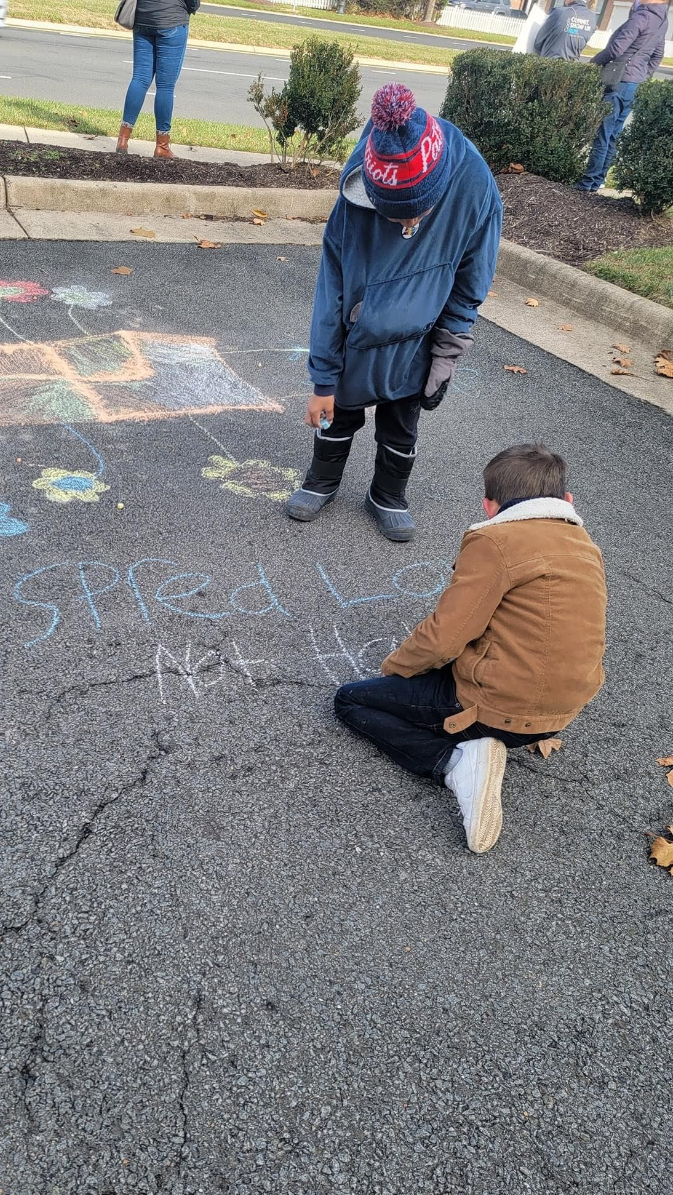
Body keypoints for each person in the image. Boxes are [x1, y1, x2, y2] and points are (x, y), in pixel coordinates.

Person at [334, 444, 607, 854]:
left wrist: (396, 669)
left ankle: (456, 764)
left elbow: (445, 636)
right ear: (566, 500)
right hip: (563, 711)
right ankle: (480, 740)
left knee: (350, 700)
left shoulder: (496, 540)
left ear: (489, 506)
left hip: (500, 708)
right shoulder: (584, 544)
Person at [287, 83, 502, 543]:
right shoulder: (358, 187)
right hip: (358, 330)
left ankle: (387, 494)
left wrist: (446, 353)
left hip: (419, 336)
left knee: (402, 421)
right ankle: (322, 480)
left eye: (415, 214)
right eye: (391, 215)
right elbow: (332, 290)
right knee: (338, 410)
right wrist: (322, 380)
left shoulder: (474, 186)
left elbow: (471, 282)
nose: (406, 225)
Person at [576, 0, 669, 192]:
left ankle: (587, 183)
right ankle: (597, 181)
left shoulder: (642, 16)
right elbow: (657, 55)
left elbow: (617, 49)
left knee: (603, 133)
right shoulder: (662, 19)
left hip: (618, 81)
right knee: (613, 135)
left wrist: (592, 63)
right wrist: (643, 74)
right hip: (633, 83)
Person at [116, 0, 199, 160]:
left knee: (139, 78)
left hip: (143, 17)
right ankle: (162, 146)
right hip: (172, 19)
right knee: (165, 86)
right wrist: (193, 7)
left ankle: (123, 140)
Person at [533, 0, 597, 59]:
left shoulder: (559, 12)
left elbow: (538, 42)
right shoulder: (592, 17)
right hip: (572, 64)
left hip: (550, 62)